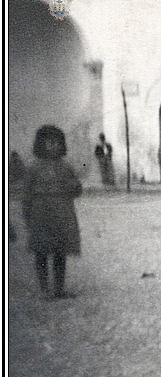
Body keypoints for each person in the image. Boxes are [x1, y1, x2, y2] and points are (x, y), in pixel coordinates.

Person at [22, 125, 82, 299]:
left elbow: (76, 189)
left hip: (62, 214)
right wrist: (27, 214)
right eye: (49, 143)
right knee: (41, 252)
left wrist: (74, 186)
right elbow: (27, 193)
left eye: (57, 143)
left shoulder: (66, 166)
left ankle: (59, 288)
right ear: (41, 145)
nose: (53, 146)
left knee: (60, 252)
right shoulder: (33, 168)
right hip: (41, 214)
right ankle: (44, 289)